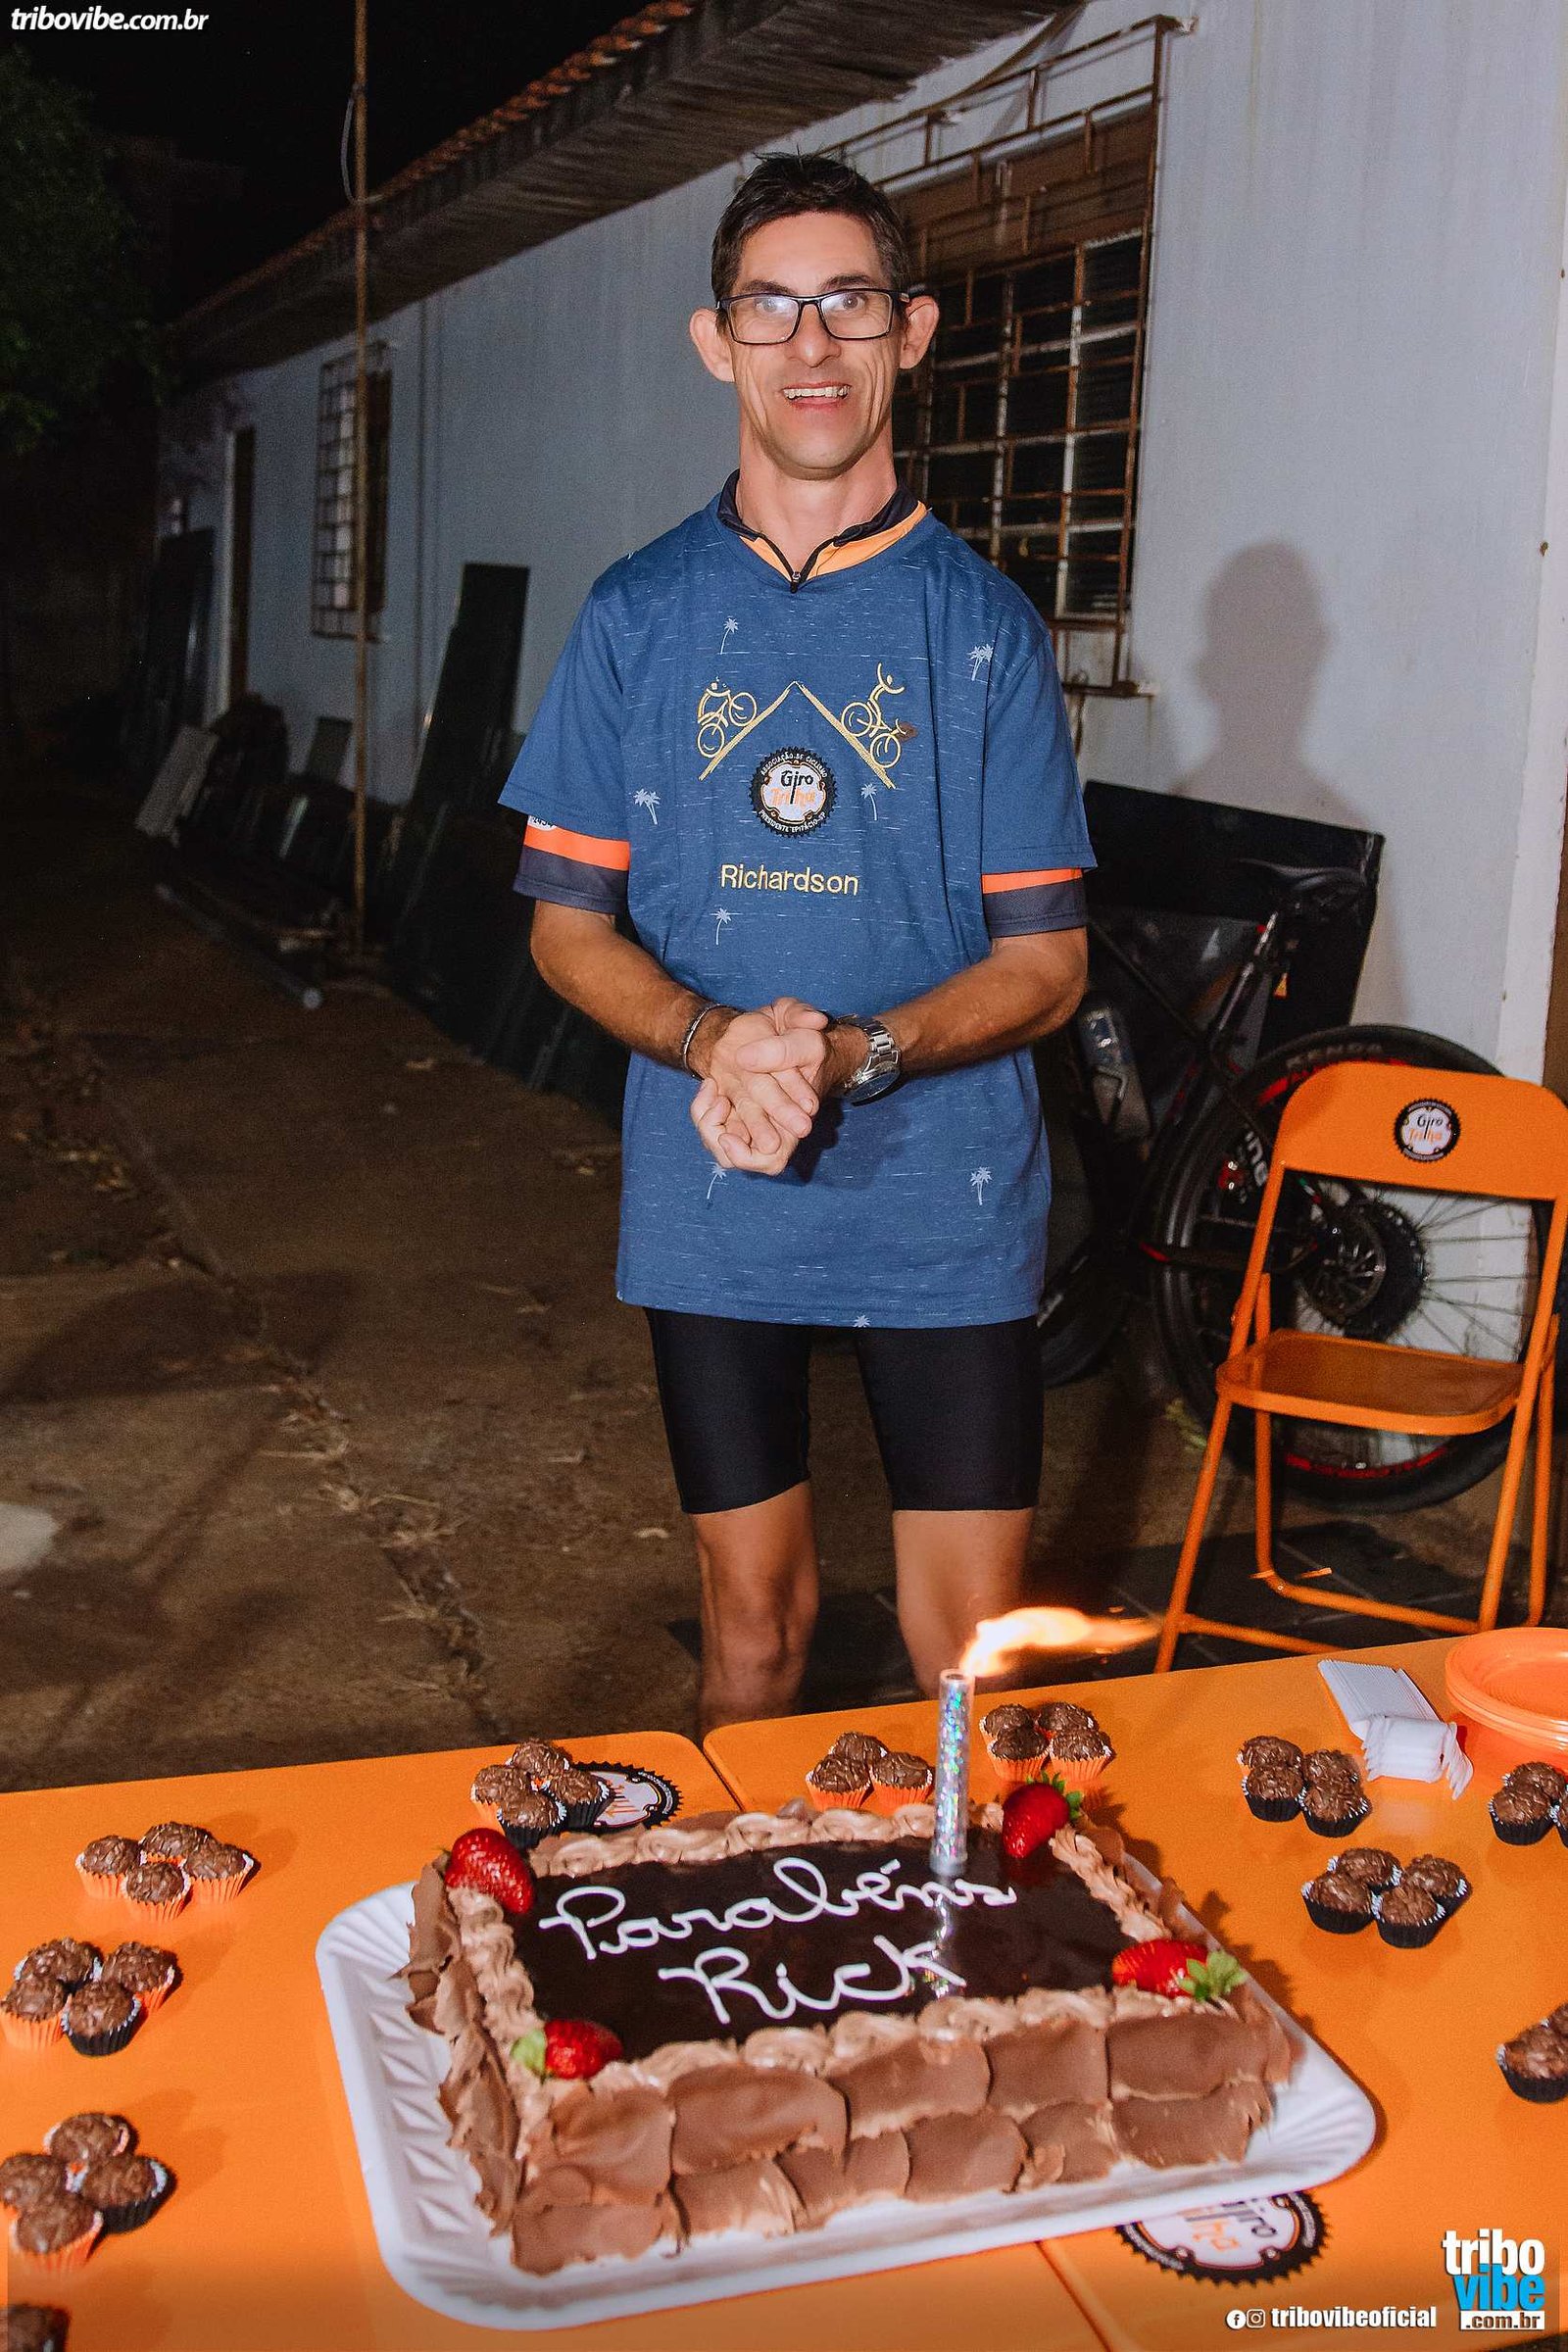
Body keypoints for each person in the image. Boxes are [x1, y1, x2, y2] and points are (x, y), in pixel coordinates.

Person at [502, 152, 1092, 1731]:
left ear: (913, 330)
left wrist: (856, 1052)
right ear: (719, 343)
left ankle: (962, 1907)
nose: (812, 344)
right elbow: (566, 928)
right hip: (713, 1185)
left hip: (947, 1193)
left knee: (969, 1675)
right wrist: (713, 1040)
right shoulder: (635, 613)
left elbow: (1048, 966)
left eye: (849, 303)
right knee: (754, 1638)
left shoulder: (982, 628)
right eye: (771, 307)